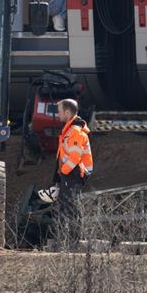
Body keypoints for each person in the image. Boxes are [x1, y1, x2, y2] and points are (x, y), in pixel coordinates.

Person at [51, 98, 93, 249]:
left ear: (67, 112)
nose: (58, 114)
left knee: (70, 207)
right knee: (66, 207)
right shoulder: (70, 130)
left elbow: (75, 157)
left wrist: (63, 172)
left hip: (73, 174)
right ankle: (68, 241)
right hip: (70, 174)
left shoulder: (74, 132)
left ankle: (74, 242)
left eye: (60, 111)